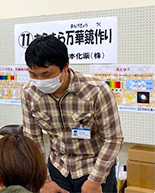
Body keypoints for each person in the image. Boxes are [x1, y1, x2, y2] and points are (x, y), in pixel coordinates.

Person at [21, 35, 124, 193]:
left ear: (65, 67)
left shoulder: (96, 91)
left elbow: (113, 139)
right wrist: (44, 179)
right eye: (33, 74)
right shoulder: (29, 93)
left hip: (94, 168)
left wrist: (95, 180)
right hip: (57, 169)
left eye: (46, 74)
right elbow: (33, 138)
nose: (39, 80)